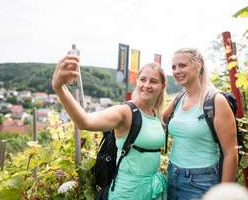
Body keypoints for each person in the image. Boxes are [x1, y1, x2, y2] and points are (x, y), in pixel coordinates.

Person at [52, 55, 167, 200]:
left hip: (152, 192)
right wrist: (59, 88)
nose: (147, 84)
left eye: (153, 81)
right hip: (127, 193)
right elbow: (85, 121)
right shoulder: (126, 112)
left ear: (162, 86)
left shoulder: (156, 113)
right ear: (137, 82)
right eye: (143, 79)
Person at [163, 48, 238, 200]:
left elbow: (231, 154)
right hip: (173, 175)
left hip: (202, 182)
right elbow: (160, 119)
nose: (177, 71)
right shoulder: (179, 99)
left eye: (182, 65)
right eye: (174, 67)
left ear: (199, 65)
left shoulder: (216, 101)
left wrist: (224, 195)